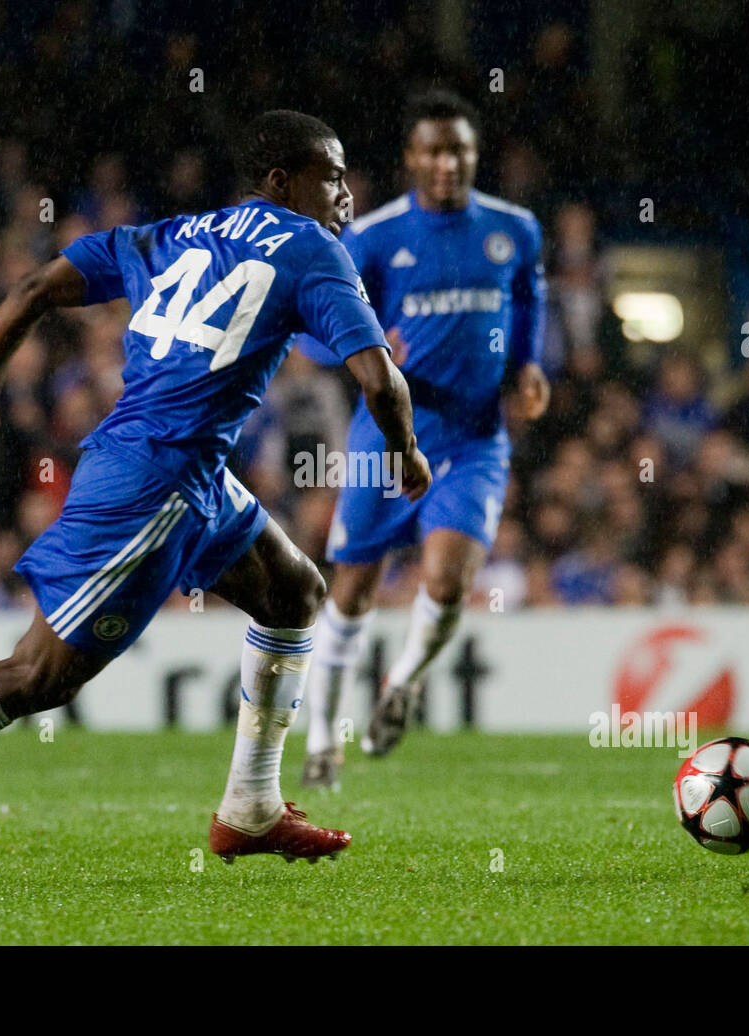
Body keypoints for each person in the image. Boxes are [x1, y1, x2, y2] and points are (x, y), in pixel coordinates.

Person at [0, 110, 431, 868]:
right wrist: (408, 454)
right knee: (36, 677)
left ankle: (250, 807)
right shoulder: (312, 248)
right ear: (283, 182)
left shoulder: (175, 233)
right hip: (152, 485)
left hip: (191, 474)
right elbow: (379, 378)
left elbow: (31, 288)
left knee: (294, 592)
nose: (346, 195)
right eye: (333, 176)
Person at [298, 90, 548, 789]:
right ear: (412, 158)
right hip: (389, 436)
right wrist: (365, 348)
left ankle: (401, 685)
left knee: (448, 579)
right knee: (352, 589)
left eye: (459, 150)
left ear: (474, 154)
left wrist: (528, 364)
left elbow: (529, 300)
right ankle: (322, 739)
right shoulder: (373, 239)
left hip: (474, 438)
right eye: (434, 151)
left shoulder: (514, 230)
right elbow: (313, 329)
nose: (447, 163)